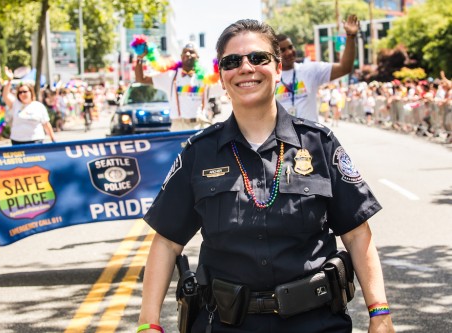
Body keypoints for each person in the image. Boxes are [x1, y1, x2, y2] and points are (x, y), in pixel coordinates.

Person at [138, 19, 395, 333]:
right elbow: (166, 243)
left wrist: (380, 314)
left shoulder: (319, 144)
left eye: (258, 58)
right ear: (222, 77)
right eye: (232, 62)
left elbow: (356, 233)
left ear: (278, 68)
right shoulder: (198, 153)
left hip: (316, 323)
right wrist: (148, 324)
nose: (245, 68)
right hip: (224, 324)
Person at [275, 14, 359, 122]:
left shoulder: (310, 69)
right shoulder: (270, 79)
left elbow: (344, 68)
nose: (289, 52)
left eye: (291, 47)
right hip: (284, 137)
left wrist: (350, 36)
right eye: (282, 50)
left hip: (310, 136)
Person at [134, 42, 207, 131]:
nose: (188, 54)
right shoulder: (170, 76)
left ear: (197, 57)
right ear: (181, 56)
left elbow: (225, 89)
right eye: (185, 52)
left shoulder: (205, 78)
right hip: (179, 127)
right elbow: (141, 79)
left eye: (191, 52)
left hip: (199, 126)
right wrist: (140, 58)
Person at [2, 67, 56, 145]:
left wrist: (53, 140)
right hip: (17, 141)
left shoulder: (38, 106)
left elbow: (46, 124)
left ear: (31, 92)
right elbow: (5, 95)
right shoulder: (15, 104)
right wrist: (9, 81)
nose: (22, 94)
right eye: (20, 92)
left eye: (25, 91)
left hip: (35, 141)